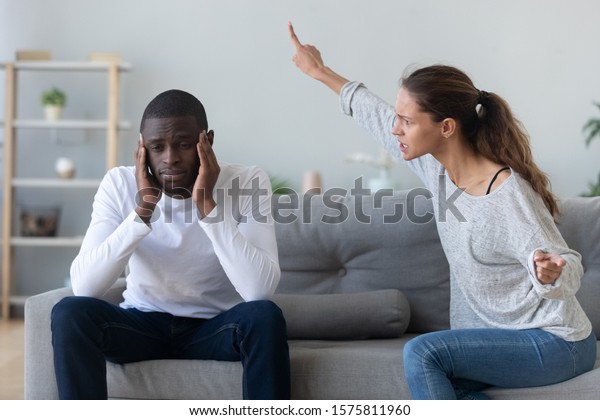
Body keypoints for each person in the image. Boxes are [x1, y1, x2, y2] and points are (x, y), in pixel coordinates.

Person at [288, 22, 596, 399]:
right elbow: (373, 112)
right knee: (436, 384)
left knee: (424, 351)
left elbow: (568, 264)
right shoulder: (438, 169)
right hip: (497, 341)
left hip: (556, 344)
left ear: (446, 127)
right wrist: (318, 71)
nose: (396, 129)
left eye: (407, 121)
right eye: (399, 118)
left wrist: (549, 273)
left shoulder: (506, 195)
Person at [51, 89, 290, 400]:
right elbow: (85, 287)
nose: (170, 158)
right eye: (157, 147)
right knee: (70, 311)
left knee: (265, 316)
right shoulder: (119, 184)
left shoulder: (247, 181)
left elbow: (259, 291)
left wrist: (207, 206)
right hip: (141, 324)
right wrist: (143, 210)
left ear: (208, 141)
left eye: (183, 145)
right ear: (141, 148)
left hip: (216, 327)